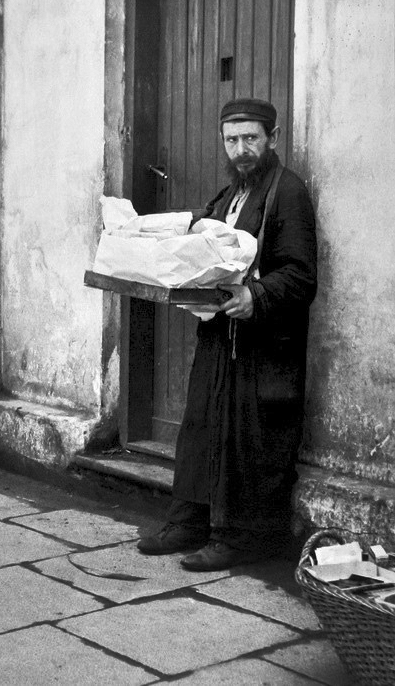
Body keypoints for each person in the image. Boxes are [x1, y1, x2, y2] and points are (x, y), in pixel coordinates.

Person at [137, 98, 317, 571]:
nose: (241, 149)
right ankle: (190, 521)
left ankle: (241, 538)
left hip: (264, 348)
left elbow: (300, 276)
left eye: (251, 138)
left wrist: (256, 296)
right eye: (232, 140)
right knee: (200, 426)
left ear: (272, 139)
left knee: (250, 441)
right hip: (220, 338)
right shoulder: (228, 197)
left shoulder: (288, 193)